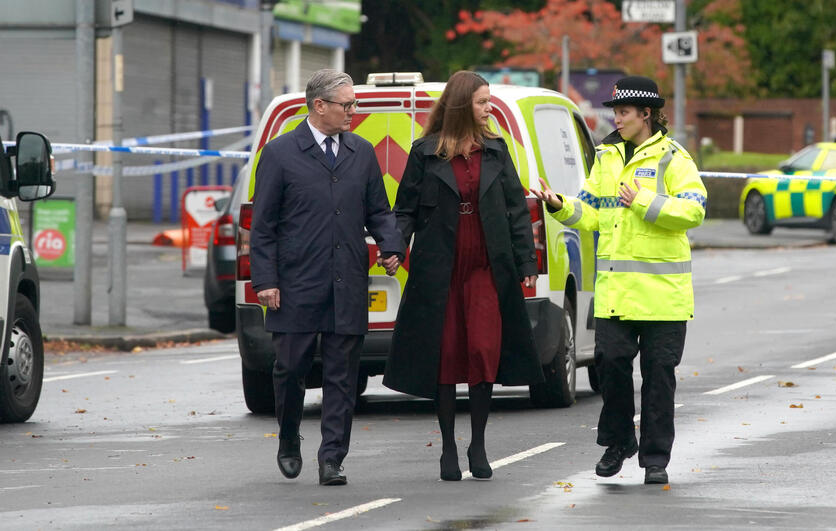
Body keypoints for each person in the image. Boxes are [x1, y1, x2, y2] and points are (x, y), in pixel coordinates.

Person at [531, 75, 706, 485]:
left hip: (663, 297)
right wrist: (559, 205)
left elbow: (695, 211)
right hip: (616, 295)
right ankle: (619, 442)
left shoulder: (673, 159)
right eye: (616, 111)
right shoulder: (606, 157)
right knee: (610, 368)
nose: (617, 118)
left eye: (624, 112)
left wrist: (643, 201)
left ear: (647, 114)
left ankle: (656, 458)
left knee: (659, 378)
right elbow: (590, 211)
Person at [383, 70, 543, 481]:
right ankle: (449, 449)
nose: (489, 109)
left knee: (483, 351)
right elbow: (406, 211)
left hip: (488, 266)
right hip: (440, 269)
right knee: (446, 355)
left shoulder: (494, 149)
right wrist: (396, 249)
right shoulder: (424, 152)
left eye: (489, 102)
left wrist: (528, 264)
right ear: (461, 106)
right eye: (483, 102)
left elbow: (515, 210)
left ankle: (478, 445)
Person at [250, 69, 405, 486]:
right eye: (347, 105)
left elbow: (378, 210)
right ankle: (288, 437)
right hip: (295, 284)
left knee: (343, 375)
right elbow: (262, 226)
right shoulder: (281, 153)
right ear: (320, 106)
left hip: (347, 282)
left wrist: (391, 246)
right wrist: (265, 281)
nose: (354, 112)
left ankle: (332, 457)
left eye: (354, 104)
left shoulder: (361, 151)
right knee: (289, 368)